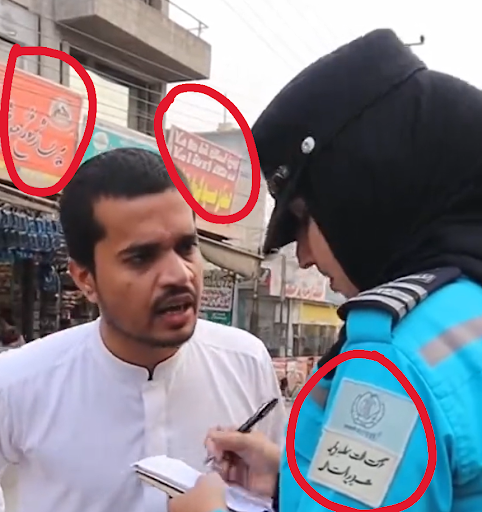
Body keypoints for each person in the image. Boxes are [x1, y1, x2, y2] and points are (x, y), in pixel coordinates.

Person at [169, 28, 482, 512]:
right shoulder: (466, 305)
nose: (304, 256)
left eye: (302, 220)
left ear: (366, 194)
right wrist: (290, 484)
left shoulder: (392, 361)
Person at [0, 148, 286, 512]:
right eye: (141, 257)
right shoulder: (18, 382)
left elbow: (279, 498)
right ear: (85, 279)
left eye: (186, 247)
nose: (179, 275)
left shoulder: (246, 361)